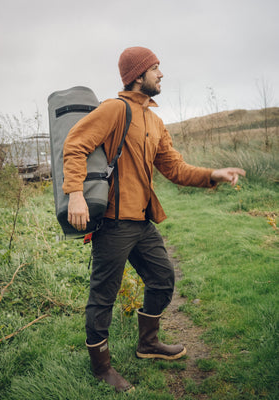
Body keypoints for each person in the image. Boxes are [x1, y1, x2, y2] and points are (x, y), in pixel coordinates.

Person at [62, 46, 246, 392]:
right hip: (114, 222)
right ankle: (101, 368)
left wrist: (213, 174)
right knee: (104, 295)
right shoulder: (114, 109)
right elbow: (74, 143)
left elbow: (174, 168)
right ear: (137, 75)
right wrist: (74, 193)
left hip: (141, 221)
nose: (161, 74)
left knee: (162, 278)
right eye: (155, 68)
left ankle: (148, 344)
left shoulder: (154, 120)